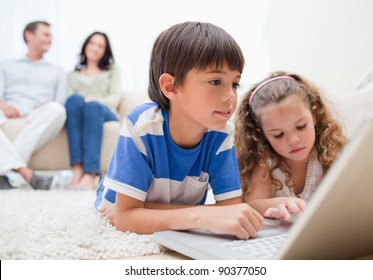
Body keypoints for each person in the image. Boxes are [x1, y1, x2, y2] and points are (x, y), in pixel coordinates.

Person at [95, 21, 263, 240]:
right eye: (215, 81)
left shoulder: (222, 134)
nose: (230, 95)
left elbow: (230, 210)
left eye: (235, 84)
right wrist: (201, 216)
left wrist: (145, 209)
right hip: (112, 199)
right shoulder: (142, 125)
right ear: (171, 87)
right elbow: (126, 219)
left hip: (143, 204)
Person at [234, 71, 347, 220]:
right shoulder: (264, 162)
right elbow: (252, 204)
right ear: (261, 133)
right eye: (278, 134)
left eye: (301, 126)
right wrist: (281, 203)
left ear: (314, 115)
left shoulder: (327, 152)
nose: (293, 140)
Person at [0, 21, 67, 190]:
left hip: (38, 115)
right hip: (8, 112)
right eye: (46, 34)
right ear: (29, 35)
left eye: (50, 36)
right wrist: (3, 104)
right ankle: (24, 172)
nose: (50, 39)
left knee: (57, 109)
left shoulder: (58, 71)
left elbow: (60, 102)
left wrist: (49, 103)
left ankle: (9, 171)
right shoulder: (6, 65)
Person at [65, 31, 121, 190]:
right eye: (92, 43)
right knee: (74, 100)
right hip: (80, 113)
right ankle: (77, 170)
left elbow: (115, 97)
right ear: (85, 46)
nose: (95, 48)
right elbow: (69, 101)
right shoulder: (73, 75)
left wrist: (95, 100)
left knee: (92, 107)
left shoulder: (112, 71)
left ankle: (90, 174)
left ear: (105, 51)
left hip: (104, 112)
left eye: (100, 45)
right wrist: (83, 101)